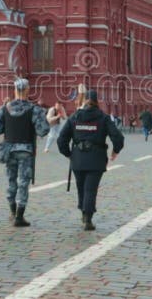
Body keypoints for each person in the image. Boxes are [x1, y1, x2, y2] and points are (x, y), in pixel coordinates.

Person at [57, 89, 125, 231]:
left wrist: (69, 154)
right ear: (97, 101)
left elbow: (61, 139)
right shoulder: (103, 118)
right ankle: (88, 217)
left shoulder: (75, 117)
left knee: (81, 187)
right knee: (91, 189)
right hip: (96, 158)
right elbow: (118, 137)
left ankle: (83, 211)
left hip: (78, 158)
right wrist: (115, 151)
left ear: (84, 101)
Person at [0, 78, 50, 227]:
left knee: (11, 182)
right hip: (25, 150)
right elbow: (43, 130)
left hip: (8, 151)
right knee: (23, 183)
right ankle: (19, 216)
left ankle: (12, 212)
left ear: (15, 90)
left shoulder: (4, 108)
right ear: (27, 90)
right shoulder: (34, 109)